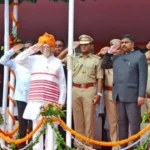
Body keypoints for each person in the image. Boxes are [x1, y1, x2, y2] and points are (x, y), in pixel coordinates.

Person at [15, 32, 66, 150]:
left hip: (52, 103)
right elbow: (18, 59)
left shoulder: (57, 62)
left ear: (53, 48)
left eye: (48, 46)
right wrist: (33, 49)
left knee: (51, 132)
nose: (46, 48)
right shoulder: (34, 59)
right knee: (37, 132)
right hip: (35, 102)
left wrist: (61, 102)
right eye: (43, 46)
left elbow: (62, 85)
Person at [101, 34, 147, 148]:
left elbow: (143, 77)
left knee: (134, 124)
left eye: (126, 42)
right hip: (119, 95)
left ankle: (136, 147)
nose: (123, 45)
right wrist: (109, 53)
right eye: (122, 43)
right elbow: (104, 64)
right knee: (121, 124)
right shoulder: (117, 57)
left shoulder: (139, 56)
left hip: (133, 95)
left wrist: (141, 95)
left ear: (132, 44)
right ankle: (123, 147)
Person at [67, 35, 103, 150]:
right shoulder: (74, 57)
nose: (83, 47)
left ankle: (88, 145)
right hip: (76, 89)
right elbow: (60, 59)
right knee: (77, 119)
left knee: (89, 119)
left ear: (91, 46)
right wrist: (70, 47)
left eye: (86, 44)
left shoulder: (96, 59)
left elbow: (100, 78)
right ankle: (79, 144)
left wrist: (99, 94)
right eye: (81, 44)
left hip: (89, 89)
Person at [0, 44, 31, 148]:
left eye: (30, 48)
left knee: (33, 123)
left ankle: (32, 145)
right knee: (22, 122)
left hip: (33, 97)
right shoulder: (17, 61)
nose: (28, 50)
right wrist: (12, 51)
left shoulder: (36, 61)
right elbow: (2, 61)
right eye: (26, 48)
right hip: (21, 96)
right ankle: (21, 145)